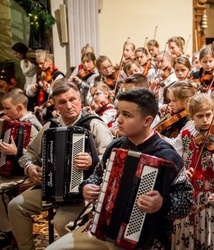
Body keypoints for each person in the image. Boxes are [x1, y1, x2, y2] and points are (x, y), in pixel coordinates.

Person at [46, 88, 194, 250]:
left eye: (127, 115)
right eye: (119, 113)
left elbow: (187, 201)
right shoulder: (116, 146)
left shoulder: (167, 155)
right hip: (104, 227)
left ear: (147, 121)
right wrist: (86, 187)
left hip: (146, 238)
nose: (119, 120)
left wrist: (162, 204)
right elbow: (97, 176)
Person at [8, 80, 113, 250]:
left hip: (81, 193)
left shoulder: (94, 124)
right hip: (50, 187)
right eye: (62, 102)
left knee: (62, 222)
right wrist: (29, 167)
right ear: (56, 106)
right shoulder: (51, 126)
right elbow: (30, 154)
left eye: (73, 100)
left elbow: (110, 159)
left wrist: (93, 161)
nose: (69, 105)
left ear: (81, 100)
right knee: (16, 206)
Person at [171, 93, 214, 250]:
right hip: (188, 192)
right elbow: (175, 160)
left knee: (208, 233)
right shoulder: (185, 135)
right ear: (191, 117)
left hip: (208, 195)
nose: (205, 120)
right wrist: (182, 172)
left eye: (208, 115)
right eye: (200, 116)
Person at [0, 90, 42, 247]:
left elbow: (39, 156)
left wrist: (16, 151)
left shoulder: (34, 125)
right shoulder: (10, 123)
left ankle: (9, 230)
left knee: (0, 190)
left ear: (18, 108)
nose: (4, 112)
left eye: (7, 108)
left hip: (26, 173)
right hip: (12, 171)